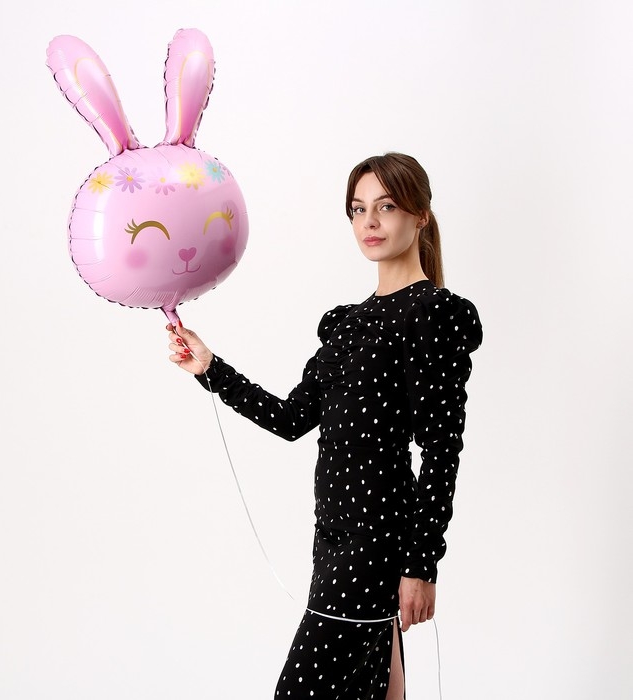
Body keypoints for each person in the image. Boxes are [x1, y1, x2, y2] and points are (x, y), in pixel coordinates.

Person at [166, 153, 482, 699]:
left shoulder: (433, 314)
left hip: (376, 539)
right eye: (358, 209)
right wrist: (211, 369)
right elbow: (292, 419)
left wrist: (421, 565)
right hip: (332, 537)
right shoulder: (347, 324)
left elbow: (440, 451)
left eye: (386, 206)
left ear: (421, 215)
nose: (370, 222)